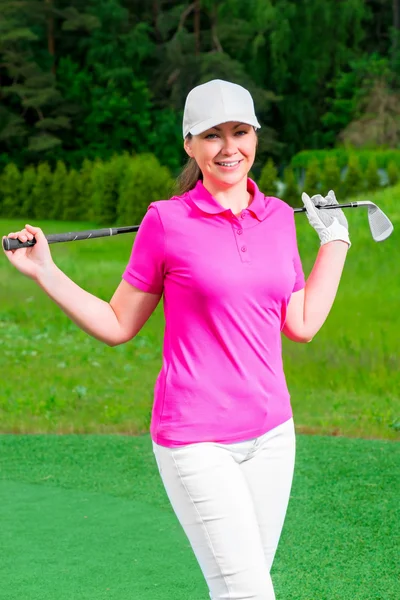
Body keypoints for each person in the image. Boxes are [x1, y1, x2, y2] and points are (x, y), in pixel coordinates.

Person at [3, 79, 351, 600]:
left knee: (241, 587)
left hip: (274, 436)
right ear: (189, 144)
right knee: (249, 593)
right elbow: (119, 323)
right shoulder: (165, 221)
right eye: (212, 135)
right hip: (195, 438)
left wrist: (336, 241)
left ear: (256, 136)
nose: (229, 148)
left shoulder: (278, 217)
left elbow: (300, 323)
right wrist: (46, 272)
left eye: (240, 132)